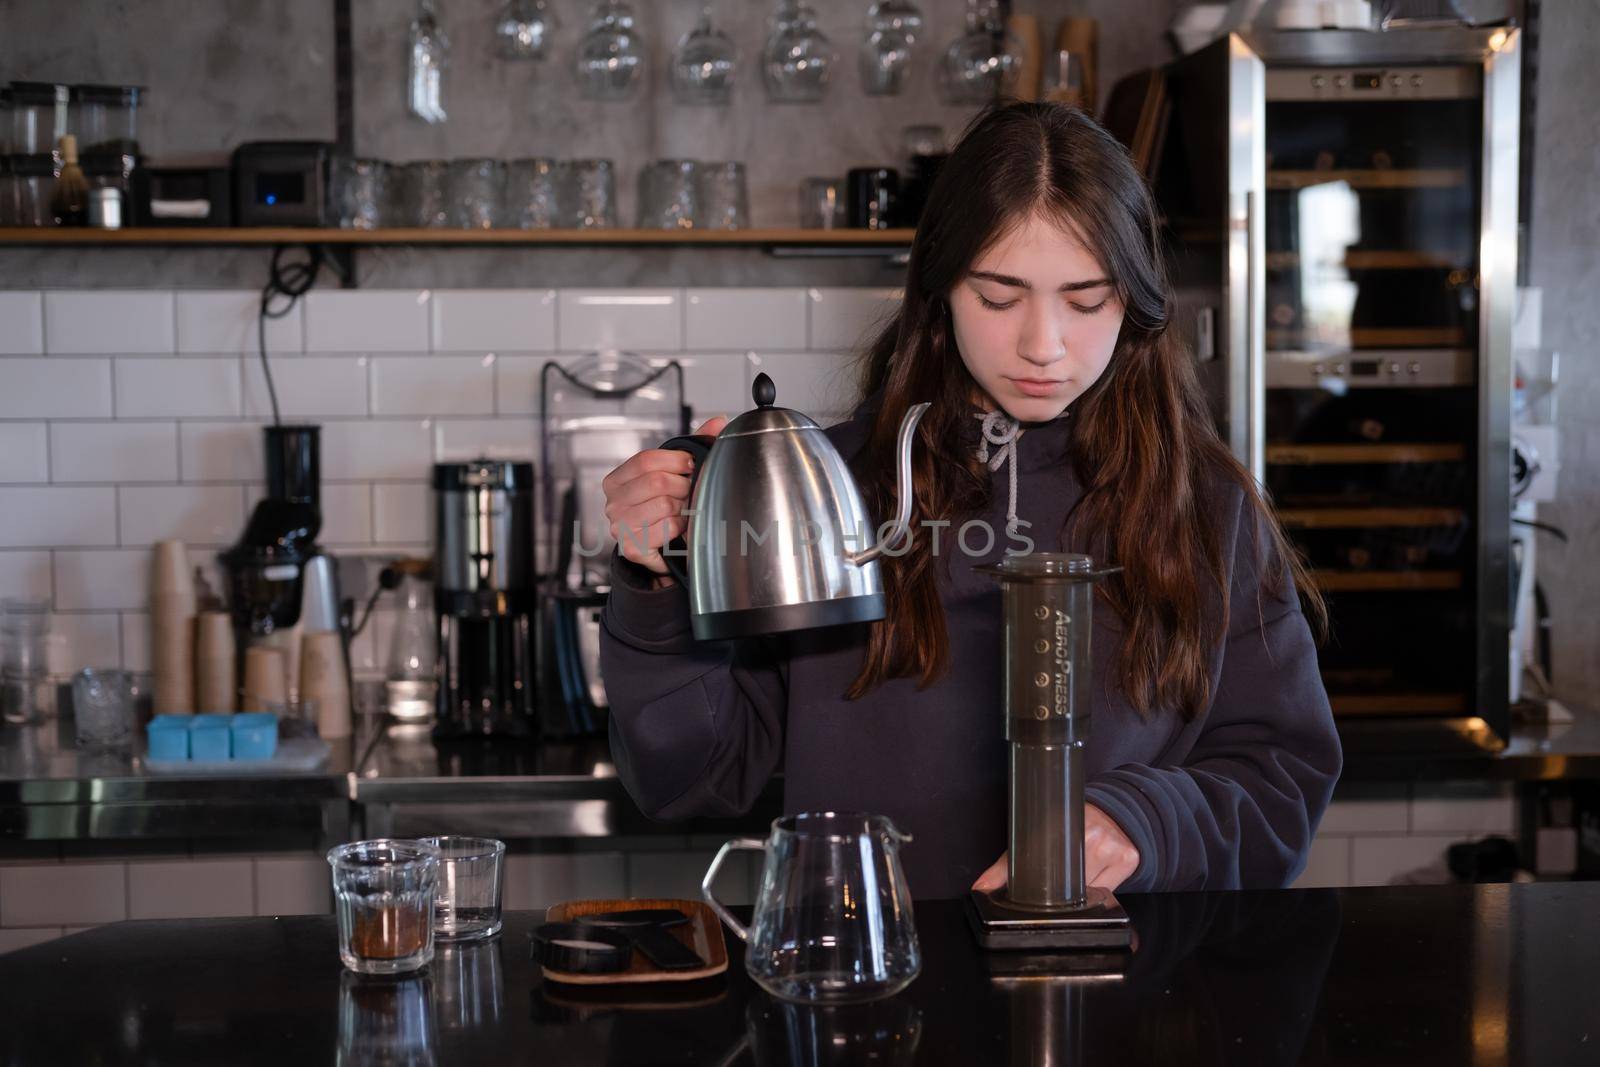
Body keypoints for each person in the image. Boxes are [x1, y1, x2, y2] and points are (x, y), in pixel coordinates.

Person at [596, 101, 1342, 899]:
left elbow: (1280, 783)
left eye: (1087, 300)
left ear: (1135, 305)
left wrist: (1143, 822)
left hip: (1127, 998)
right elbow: (690, 780)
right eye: (998, 296)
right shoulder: (827, 490)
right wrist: (661, 582)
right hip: (870, 989)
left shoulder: (1206, 504)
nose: (1043, 345)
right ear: (940, 292)